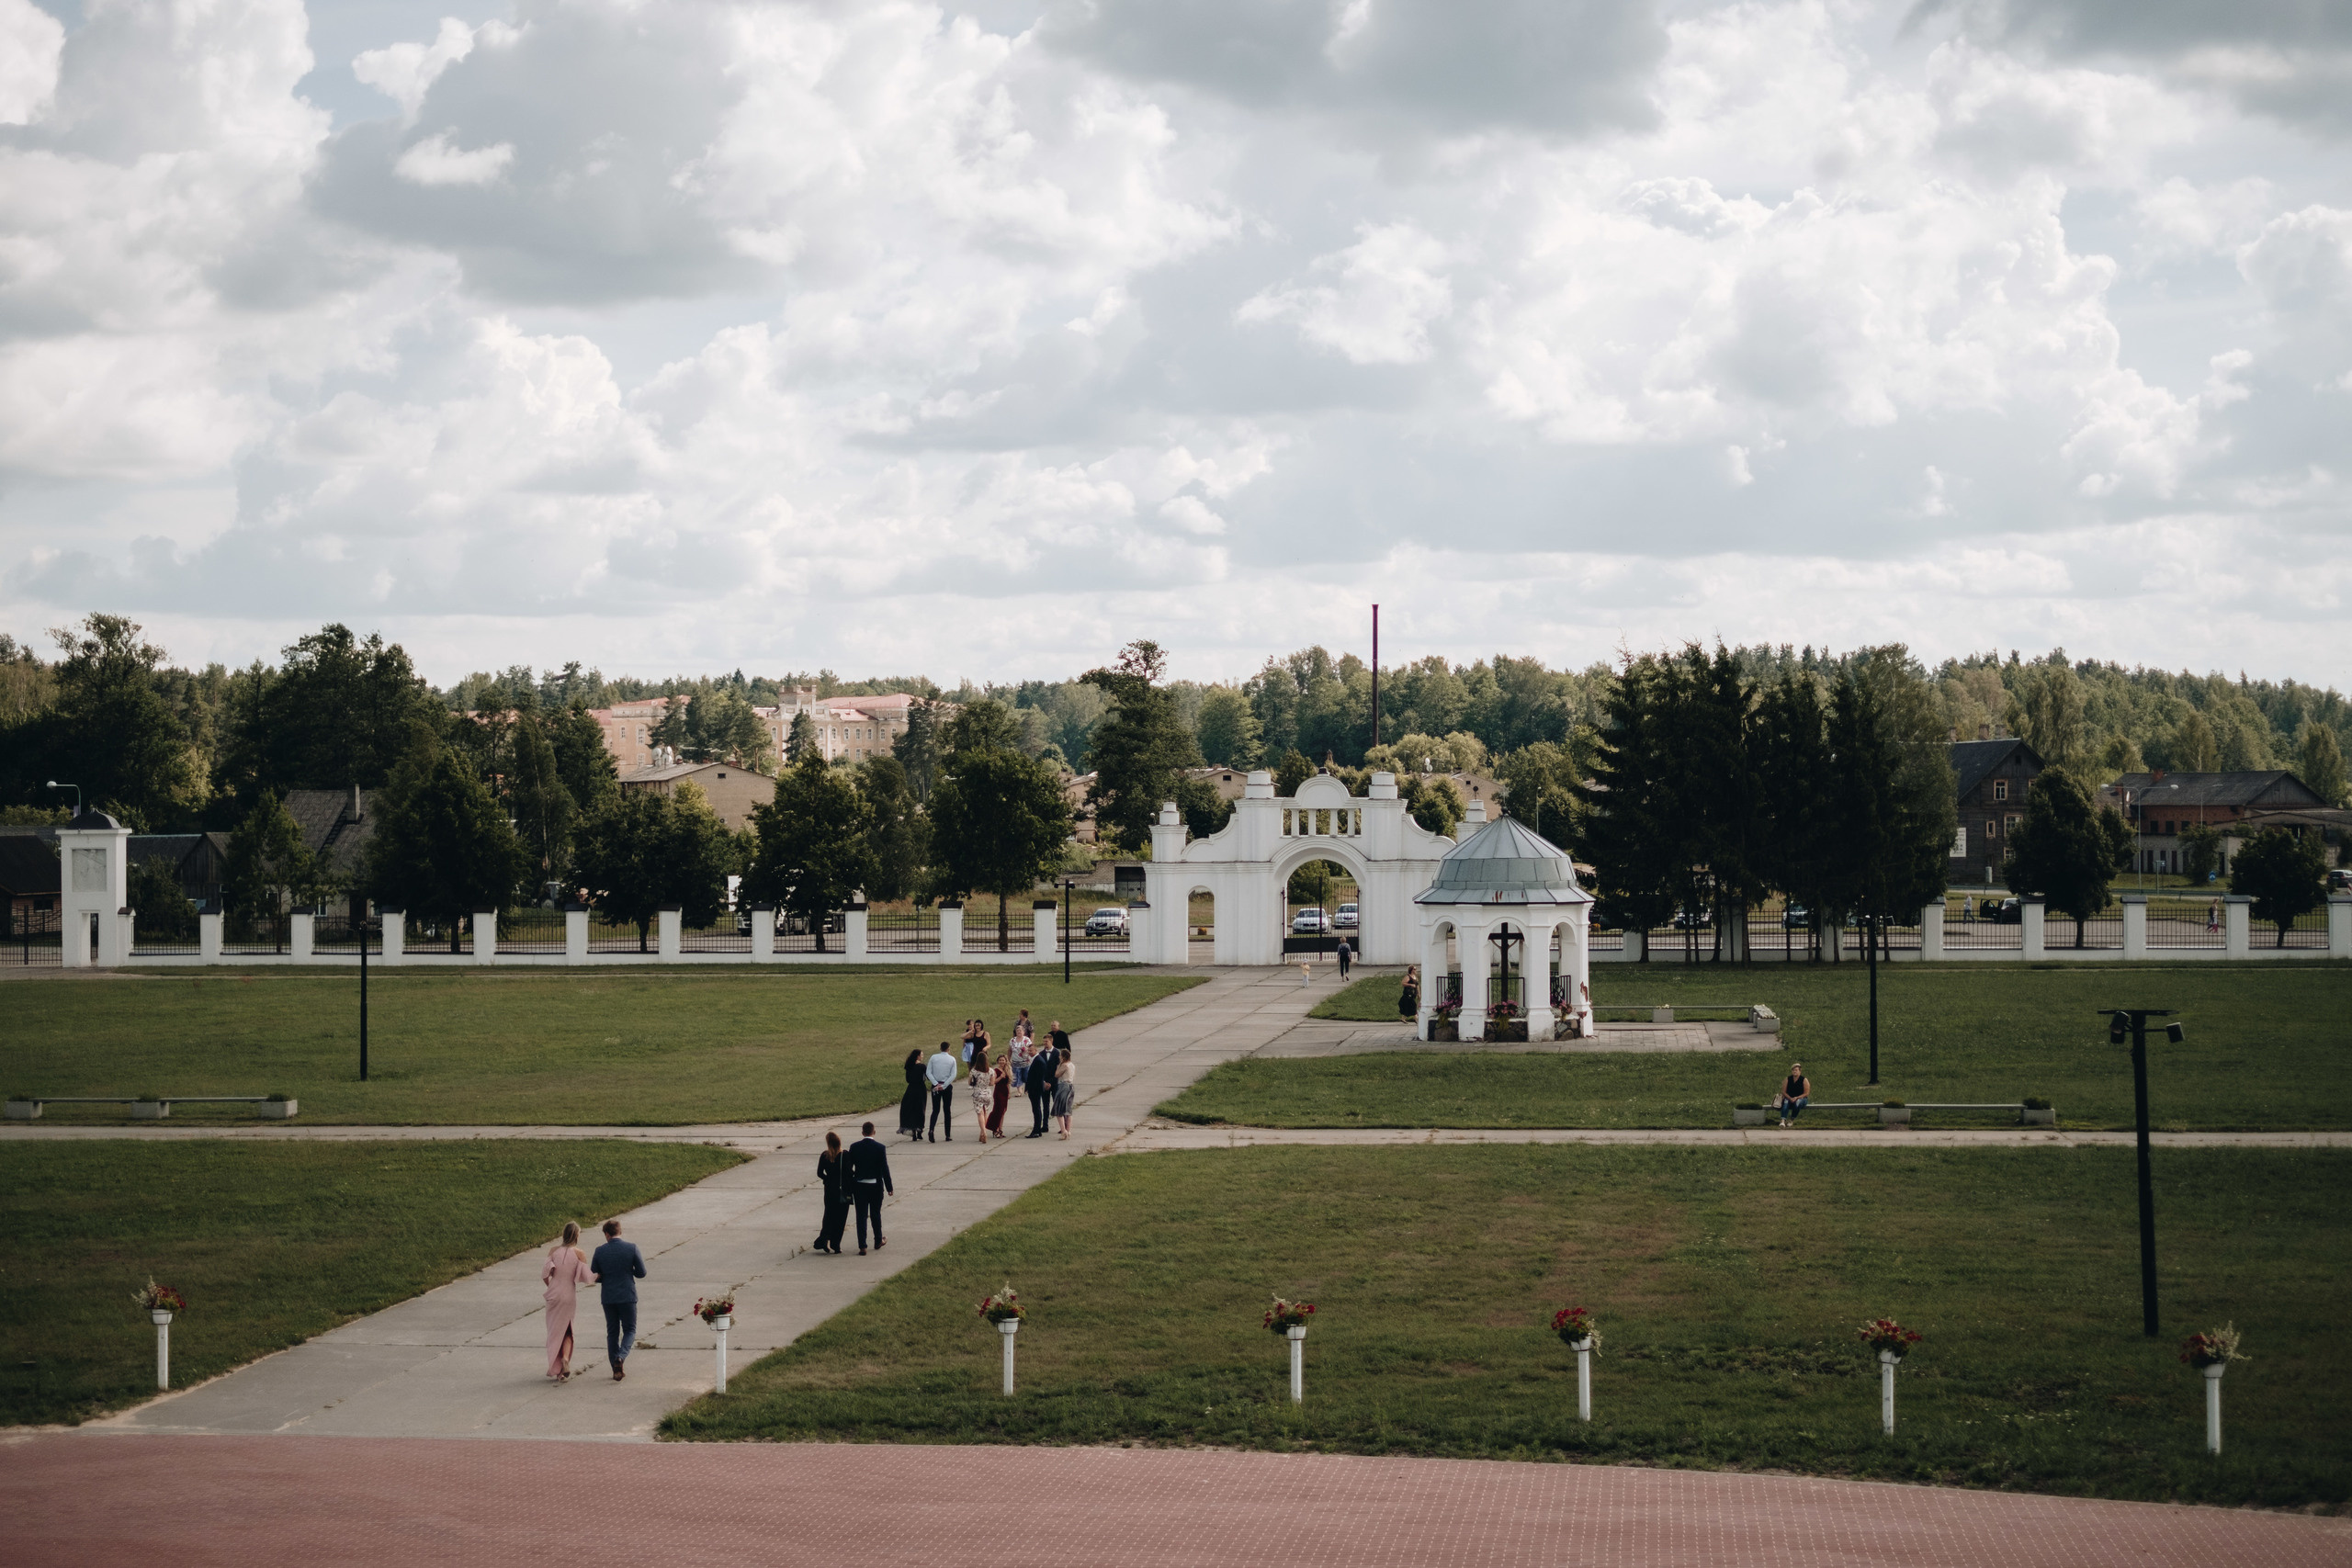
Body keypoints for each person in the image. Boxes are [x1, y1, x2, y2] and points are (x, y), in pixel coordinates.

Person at [590, 1218, 646, 1381]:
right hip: (628, 1295)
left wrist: (606, 1277)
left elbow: (595, 1275)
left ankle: (615, 1367)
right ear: (620, 1232)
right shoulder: (632, 1248)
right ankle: (621, 1357)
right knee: (630, 1329)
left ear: (607, 1234)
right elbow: (642, 1272)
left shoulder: (600, 1251)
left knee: (612, 1332)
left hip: (608, 1297)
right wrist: (630, 1272)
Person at [542, 1222, 595, 1382]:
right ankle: (565, 1359)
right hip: (569, 1295)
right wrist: (599, 1275)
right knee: (568, 1330)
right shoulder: (579, 1254)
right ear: (577, 1236)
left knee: (554, 1331)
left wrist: (551, 1286)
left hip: (553, 1294)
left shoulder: (553, 1251)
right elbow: (587, 1278)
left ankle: (556, 1366)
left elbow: (545, 1274)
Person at [845, 1120, 893, 1254]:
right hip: (875, 1186)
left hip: (859, 1186)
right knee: (875, 1214)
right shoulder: (880, 1148)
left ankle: (862, 1246)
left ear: (862, 1133)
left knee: (861, 1216)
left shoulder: (854, 1147)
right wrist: (889, 1187)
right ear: (874, 1132)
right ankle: (878, 1240)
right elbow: (885, 1169)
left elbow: (849, 1168)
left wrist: (854, 1178)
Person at [815, 1132, 851, 1253]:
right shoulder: (845, 1154)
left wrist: (828, 1180)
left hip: (829, 1190)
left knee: (829, 1215)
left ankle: (824, 1239)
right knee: (841, 1218)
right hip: (844, 1190)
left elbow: (819, 1173)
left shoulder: (825, 1155)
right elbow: (849, 1172)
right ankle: (836, 1244)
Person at [1025, 1027, 1058, 1137]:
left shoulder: (1057, 1053)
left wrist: (1051, 1082)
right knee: (1045, 1104)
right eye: (1043, 1042)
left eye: (1046, 1041)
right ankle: (1044, 1125)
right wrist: (1044, 1082)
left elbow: (1057, 1069)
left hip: (1053, 1082)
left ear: (1051, 1041)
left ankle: (1061, 1125)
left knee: (1056, 1104)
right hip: (1043, 1082)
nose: (1045, 1043)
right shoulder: (1041, 1054)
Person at [926, 1040, 959, 1141]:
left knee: (935, 1110)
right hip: (946, 1086)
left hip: (935, 1085)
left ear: (940, 1048)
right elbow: (953, 1075)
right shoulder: (952, 1059)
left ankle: (931, 1129)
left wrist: (936, 1083)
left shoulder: (933, 1057)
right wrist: (944, 1085)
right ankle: (947, 1134)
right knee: (947, 1110)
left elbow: (929, 1072)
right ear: (948, 1049)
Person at [897, 1048, 928, 1140]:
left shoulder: (909, 1066)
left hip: (911, 1089)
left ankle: (913, 1132)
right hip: (921, 1089)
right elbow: (927, 1076)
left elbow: (907, 1079)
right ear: (918, 1056)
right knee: (920, 1109)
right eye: (921, 1055)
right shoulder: (922, 1066)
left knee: (911, 1109)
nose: (922, 1056)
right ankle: (919, 1130)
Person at [970, 1044, 996, 1142]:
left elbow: (970, 1082)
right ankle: (982, 1133)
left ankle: (983, 1132)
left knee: (980, 1113)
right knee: (985, 1112)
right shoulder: (991, 1071)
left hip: (977, 1093)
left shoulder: (974, 1071)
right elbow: (992, 1083)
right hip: (987, 1093)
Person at [1052, 1042, 1077, 1140]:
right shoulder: (1072, 1065)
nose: (1059, 1057)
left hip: (1063, 1086)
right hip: (1071, 1086)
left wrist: (1059, 1066)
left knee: (1059, 1110)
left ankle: (1063, 1131)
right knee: (1068, 1110)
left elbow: (1056, 1075)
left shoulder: (1064, 1065)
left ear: (1063, 1057)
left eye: (1060, 1056)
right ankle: (1068, 1130)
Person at [1776, 1063, 1812, 1128]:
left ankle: (1791, 1120)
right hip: (1789, 1098)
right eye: (1793, 1070)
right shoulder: (1787, 1079)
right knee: (1786, 1102)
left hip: (1801, 1098)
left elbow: (1806, 1093)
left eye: (1796, 1070)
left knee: (1798, 1102)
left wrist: (1797, 1097)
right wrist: (1790, 1098)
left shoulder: (1804, 1080)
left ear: (1800, 1071)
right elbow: (1783, 1091)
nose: (1794, 1071)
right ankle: (1783, 1121)